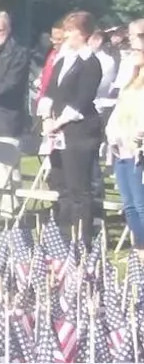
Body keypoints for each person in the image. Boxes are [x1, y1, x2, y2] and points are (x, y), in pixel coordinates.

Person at [39, 11, 103, 247]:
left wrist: (59, 121)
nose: (66, 35)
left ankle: (81, 239)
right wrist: (46, 117)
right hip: (58, 132)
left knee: (79, 189)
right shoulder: (64, 59)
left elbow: (82, 100)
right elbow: (50, 91)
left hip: (80, 131)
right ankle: (63, 236)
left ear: (84, 34)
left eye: (71, 30)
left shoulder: (90, 63)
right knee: (61, 184)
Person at [0, 11, 30, 218]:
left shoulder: (19, 53)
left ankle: (10, 214)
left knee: (7, 171)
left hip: (6, 118)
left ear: (8, 30)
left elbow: (10, 84)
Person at [106, 19, 144, 264]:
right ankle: (139, 250)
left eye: (137, 38)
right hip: (122, 148)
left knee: (141, 203)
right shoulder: (132, 76)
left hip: (140, 149)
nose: (132, 45)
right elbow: (119, 109)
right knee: (129, 204)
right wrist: (112, 133)